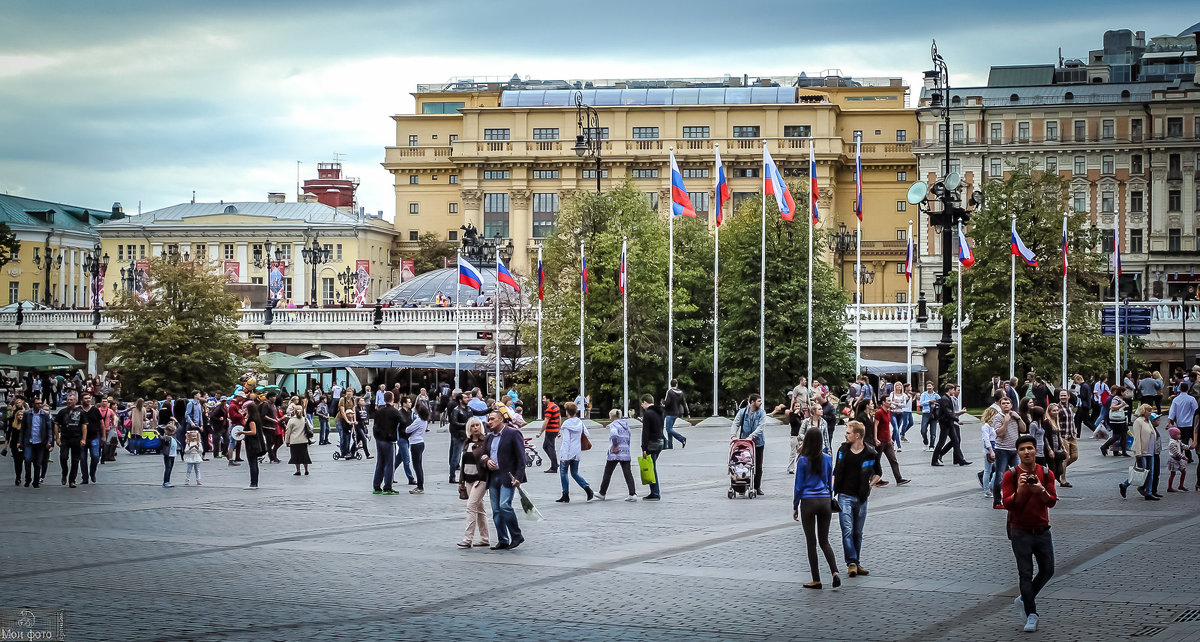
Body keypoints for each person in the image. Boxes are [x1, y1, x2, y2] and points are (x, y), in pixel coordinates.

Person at [1002, 434, 1058, 633]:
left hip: (1043, 531)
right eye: (1022, 449)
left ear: (1036, 450)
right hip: (1020, 532)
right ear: (1017, 453)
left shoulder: (1046, 473)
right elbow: (1007, 503)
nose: (1026, 452)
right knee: (1025, 574)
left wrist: (1040, 489)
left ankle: (1025, 598)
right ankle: (1031, 614)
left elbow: (1051, 501)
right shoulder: (1011, 474)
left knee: (1048, 569)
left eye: (1030, 448)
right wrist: (1020, 489)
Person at [792, 426, 840, 589]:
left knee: (811, 542)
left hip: (808, 502)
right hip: (825, 500)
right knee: (824, 541)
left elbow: (798, 486)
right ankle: (835, 572)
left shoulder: (803, 460)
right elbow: (829, 481)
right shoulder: (827, 459)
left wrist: (795, 505)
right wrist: (829, 497)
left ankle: (816, 579)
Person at [833, 420, 881, 578]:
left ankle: (857, 562)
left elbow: (878, 473)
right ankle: (852, 562)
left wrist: (870, 484)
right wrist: (831, 491)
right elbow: (835, 472)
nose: (845, 435)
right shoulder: (842, 450)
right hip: (844, 496)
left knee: (858, 532)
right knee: (847, 530)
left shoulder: (871, 453)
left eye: (848, 433)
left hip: (861, 497)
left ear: (857, 435)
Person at [479, 409, 526, 550]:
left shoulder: (512, 433)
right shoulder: (489, 437)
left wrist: (518, 477)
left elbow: (521, 458)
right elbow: (483, 455)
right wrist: (486, 460)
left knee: (504, 506)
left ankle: (516, 535)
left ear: (500, 420)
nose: (489, 422)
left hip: (508, 476)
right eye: (488, 419)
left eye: (492, 419)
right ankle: (503, 539)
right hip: (493, 477)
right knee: (496, 510)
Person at [457, 417, 490, 547]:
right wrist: (461, 481)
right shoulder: (467, 442)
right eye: (473, 426)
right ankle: (484, 538)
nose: (476, 427)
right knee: (480, 509)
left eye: (477, 425)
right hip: (469, 479)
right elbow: (463, 463)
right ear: (469, 428)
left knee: (471, 507)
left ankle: (467, 539)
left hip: (480, 479)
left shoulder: (485, 441)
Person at [554, 401, 593, 502]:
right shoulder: (580, 422)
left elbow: (566, 441)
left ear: (567, 412)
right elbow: (587, 434)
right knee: (574, 473)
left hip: (567, 452)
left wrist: (565, 456)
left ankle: (565, 494)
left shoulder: (566, 424)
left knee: (563, 473)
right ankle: (588, 489)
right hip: (576, 451)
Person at [991, 396, 1025, 508]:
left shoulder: (1015, 416)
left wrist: (1019, 418)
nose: (1006, 405)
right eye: (1003, 403)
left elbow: (1024, 429)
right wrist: (1005, 422)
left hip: (1014, 450)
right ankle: (997, 501)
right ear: (1000, 405)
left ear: (1011, 405)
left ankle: (1016, 498)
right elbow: (999, 433)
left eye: (1008, 403)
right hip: (1002, 450)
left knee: (1018, 475)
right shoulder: (997, 417)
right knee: (1000, 476)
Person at [1119, 404, 1159, 500]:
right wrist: (1138, 452)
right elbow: (1137, 438)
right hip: (1142, 451)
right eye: (1148, 411)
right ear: (1143, 411)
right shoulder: (1138, 422)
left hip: (1150, 451)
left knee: (1150, 473)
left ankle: (1148, 493)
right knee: (1140, 472)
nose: (1150, 413)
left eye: (1151, 411)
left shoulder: (1148, 421)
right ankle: (1124, 484)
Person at [731, 394, 766, 495]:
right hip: (744, 443)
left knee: (758, 466)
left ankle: (757, 487)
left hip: (758, 442)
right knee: (742, 464)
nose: (761, 403)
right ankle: (742, 486)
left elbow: (761, 427)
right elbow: (735, 423)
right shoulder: (742, 412)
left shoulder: (761, 413)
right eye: (759, 401)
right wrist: (733, 435)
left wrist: (752, 436)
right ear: (752, 402)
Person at [598, 409, 636, 502]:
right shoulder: (626, 425)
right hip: (625, 451)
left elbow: (614, 435)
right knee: (627, 473)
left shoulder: (613, 425)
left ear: (612, 417)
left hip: (615, 453)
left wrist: (615, 445)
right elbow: (629, 437)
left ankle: (602, 493)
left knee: (608, 472)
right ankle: (632, 493)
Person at [874, 394, 909, 485]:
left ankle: (899, 479)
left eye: (890, 400)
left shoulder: (888, 412)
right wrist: (875, 439)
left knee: (893, 460)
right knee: (876, 460)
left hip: (888, 441)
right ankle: (874, 479)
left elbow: (887, 427)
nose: (890, 402)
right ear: (883, 403)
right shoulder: (879, 412)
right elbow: (875, 426)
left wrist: (890, 438)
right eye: (888, 401)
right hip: (880, 441)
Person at [54, 392, 85, 488]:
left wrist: (83, 438)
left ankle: (72, 480)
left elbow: (84, 426)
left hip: (76, 438)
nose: (69, 401)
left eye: (71, 400)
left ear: (76, 401)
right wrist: (57, 437)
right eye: (68, 400)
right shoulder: (62, 412)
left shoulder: (81, 412)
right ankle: (64, 472)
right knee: (63, 457)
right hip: (65, 438)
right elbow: (56, 424)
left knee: (75, 460)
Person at [18, 398, 51, 488]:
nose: (39, 405)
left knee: (38, 463)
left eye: (40, 403)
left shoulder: (45, 415)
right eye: (37, 403)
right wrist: (20, 441)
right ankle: (28, 479)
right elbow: (23, 429)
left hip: (40, 442)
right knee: (27, 460)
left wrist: (49, 441)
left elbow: (49, 429)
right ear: (33, 404)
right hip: (29, 441)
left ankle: (36, 481)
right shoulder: (27, 414)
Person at [372, 391, 400, 495]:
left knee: (380, 462)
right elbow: (403, 422)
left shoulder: (379, 411)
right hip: (389, 440)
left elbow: (375, 425)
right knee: (389, 463)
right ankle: (387, 487)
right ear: (393, 399)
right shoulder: (394, 411)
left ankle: (376, 486)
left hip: (379, 439)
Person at [640, 394, 665, 501]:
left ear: (645, 402)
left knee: (651, 467)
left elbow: (645, 432)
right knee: (652, 466)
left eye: (642, 403)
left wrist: (644, 447)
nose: (642, 406)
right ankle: (654, 492)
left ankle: (655, 493)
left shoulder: (648, 414)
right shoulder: (661, 412)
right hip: (660, 441)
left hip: (652, 442)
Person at [237, 393, 264, 490]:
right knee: (254, 464)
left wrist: (242, 432)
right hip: (255, 444)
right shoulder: (256, 418)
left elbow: (253, 432)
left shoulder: (252, 420)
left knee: (252, 463)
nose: (245, 411)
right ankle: (254, 482)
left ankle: (253, 483)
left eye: (246, 409)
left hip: (252, 444)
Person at [405, 404, 430, 494]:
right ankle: (420, 485)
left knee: (417, 466)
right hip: (421, 442)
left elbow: (408, 430)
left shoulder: (418, 421)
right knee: (419, 465)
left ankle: (420, 486)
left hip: (415, 443)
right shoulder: (424, 420)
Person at [394, 396, 417, 486]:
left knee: (399, 458)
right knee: (406, 459)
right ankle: (410, 478)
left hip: (408, 438)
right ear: (404, 404)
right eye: (409, 402)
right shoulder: (400, 413)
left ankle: (389, 474)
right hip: (402, 438)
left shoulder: (409, 412)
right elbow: (398, 427)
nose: (410, 404)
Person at [447, 393, 469, 483]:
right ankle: (452, 476)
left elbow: (478, 412)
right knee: (456, 456)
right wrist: (466, 424)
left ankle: (462, 475)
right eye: (465, 397)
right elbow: (454, 422)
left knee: (462, 455)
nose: (467, 398)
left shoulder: (468, 409)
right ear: (460, 400)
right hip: (458, 435)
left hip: (465, 434)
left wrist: (489, 409)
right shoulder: (456, 410)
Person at [1100, 389, 1130, 457]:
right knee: (1117, 436)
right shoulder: (1116, 399)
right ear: (1121, 392)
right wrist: (1121, 405)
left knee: (1124, 435)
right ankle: (1104, 446)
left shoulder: (1121, 399)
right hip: (1117, 421)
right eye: (1125, 392)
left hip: (1122, 420)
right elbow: (1112, 407)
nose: (1126, 393)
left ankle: (1124, 451)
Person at [80, 393, 103, 484]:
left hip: (94, 436)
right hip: (81, 437)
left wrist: (103, 436)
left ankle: (92, 472)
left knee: (95, 456)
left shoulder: (95, 410)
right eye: (85, 398)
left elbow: (101, 423)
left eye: (89, 398)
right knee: (82, 458)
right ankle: (85, 477)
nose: (88, 400)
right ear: (81, 400)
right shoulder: (78, 410)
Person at [285, 404, 311, 477]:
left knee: (296, 456)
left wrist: (287, 441)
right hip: (304, 440)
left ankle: (298, 470)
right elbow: (310, 427)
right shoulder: (305, 419)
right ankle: (306, 470)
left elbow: (288, 431)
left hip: (294, 441)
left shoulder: (291, 420)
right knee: (305, 455)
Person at [538, 394, 561, 473]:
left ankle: (554, 466)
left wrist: (540, 432)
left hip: (550, 431)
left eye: (544, 398)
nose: (542, 400)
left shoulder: (549, 409)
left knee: (550, 448)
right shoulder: (556, 406)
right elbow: (559, 418)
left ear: (548, 399)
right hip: (554, 430)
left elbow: (546, 422)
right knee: (546, 446)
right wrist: (558, 430)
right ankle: (555, 463)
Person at [663, 379, 689, 449]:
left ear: (670, 384)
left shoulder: (669, 392)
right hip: (676, 413)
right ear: (676, 384)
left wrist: (663, 403)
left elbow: (667, 403)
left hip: (669, 413)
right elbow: (684, 403)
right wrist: (687, 413)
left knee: (668, 429)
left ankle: (682, 438)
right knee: (670, 428)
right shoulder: (681, 392)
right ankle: (670, 445)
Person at [1167, 427, 1191, 491]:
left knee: (1183, 472)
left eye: (1179, 434)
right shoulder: (1172, 443)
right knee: (1173, 473)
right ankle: (1169, 487)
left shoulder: (1178, 441)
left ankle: (1181, 485)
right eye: (1178, 434)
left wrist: (1190, 447)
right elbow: (1176, 453)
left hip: (1179, 459)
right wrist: (1183, 457)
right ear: (1173, 435)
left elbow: (1183, 446)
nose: (1179, 435)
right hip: (1173, 459)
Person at [919, 382, 939, 451]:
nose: (929, 387)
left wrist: (935, 404)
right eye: (928, 386)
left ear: (933, 387)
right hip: (926, 413)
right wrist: (929, 401)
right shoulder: (924, 394)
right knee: (923, 430)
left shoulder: (936, 395)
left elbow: (940, 402)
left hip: (934, 414)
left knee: (933, 432)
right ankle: (925, 441)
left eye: (930, 386)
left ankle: (932, 446)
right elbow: (921, 403)